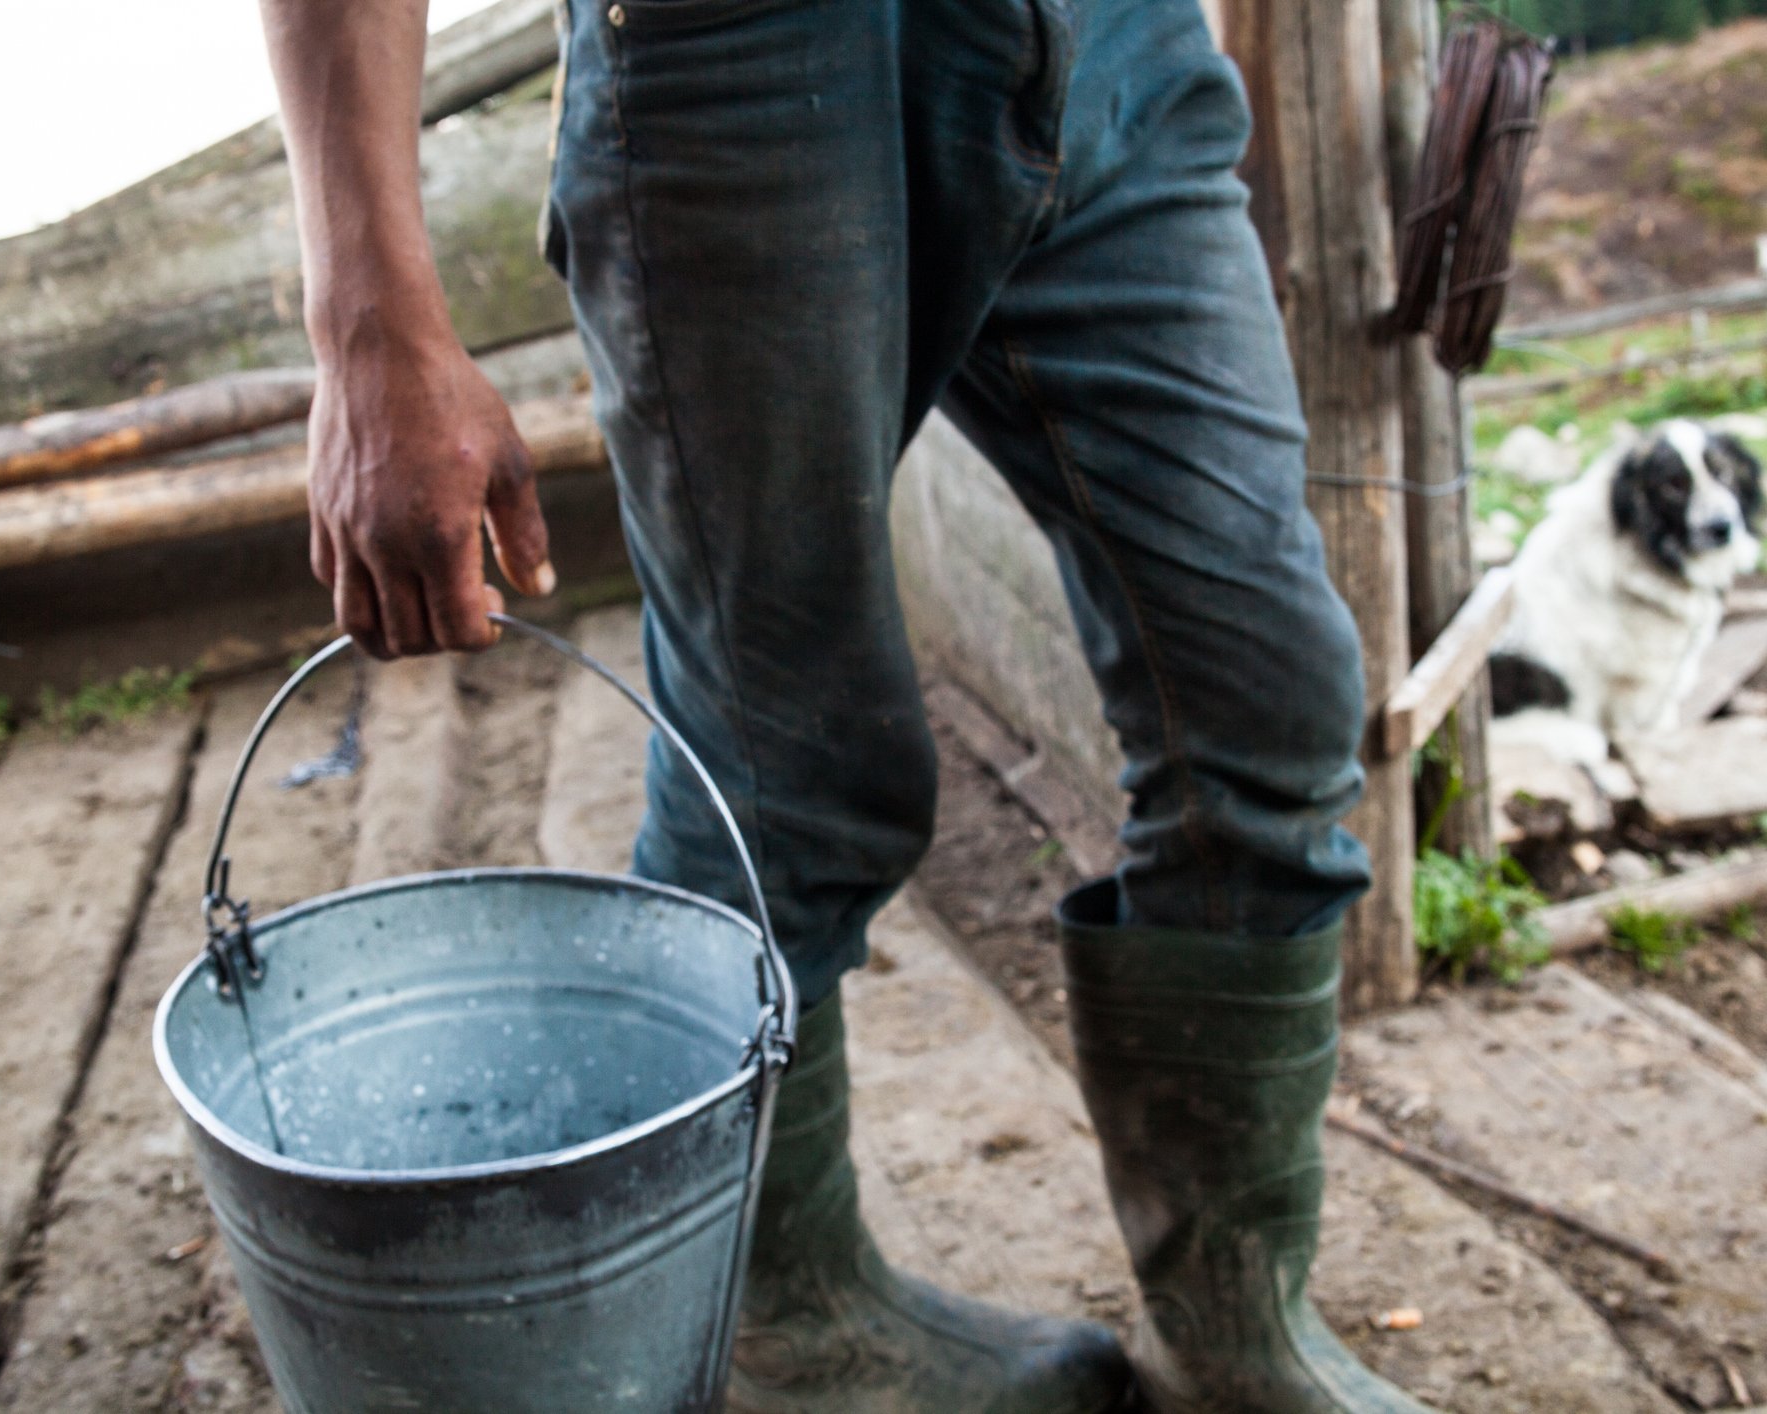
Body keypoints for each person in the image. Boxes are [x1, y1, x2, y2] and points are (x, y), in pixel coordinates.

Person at [258, 0, 1431, 1407]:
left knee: (1266, 694)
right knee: (788, 767)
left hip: (1110, 37)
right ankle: (790, 1323)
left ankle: (1242, 1326)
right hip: (740, 60)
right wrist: (368, 321)